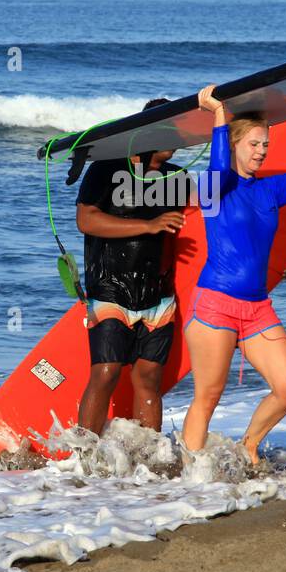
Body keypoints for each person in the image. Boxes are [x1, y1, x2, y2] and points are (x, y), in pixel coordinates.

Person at [183, 84, 286, 466]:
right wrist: (218, 113)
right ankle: (192, 479)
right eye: (253, 144)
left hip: (256, 309)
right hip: (215, 305)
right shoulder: (216, 188)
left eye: (265, 144)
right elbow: (217, 167)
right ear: (233, 144)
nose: (262, 151)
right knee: (208, 396)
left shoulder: (270, 190)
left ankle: (248, 444)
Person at [74, 98, 194, 435]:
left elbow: (204, 225)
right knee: (107, 370)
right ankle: (85, 456)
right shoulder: (107, 169)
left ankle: (147, 459)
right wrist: (148, 225)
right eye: (168, 130)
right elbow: (86, 219)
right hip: (111, 288)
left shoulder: (178, 179)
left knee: (149, 377)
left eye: (178, 130)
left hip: (159, 294)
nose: (176, 138)